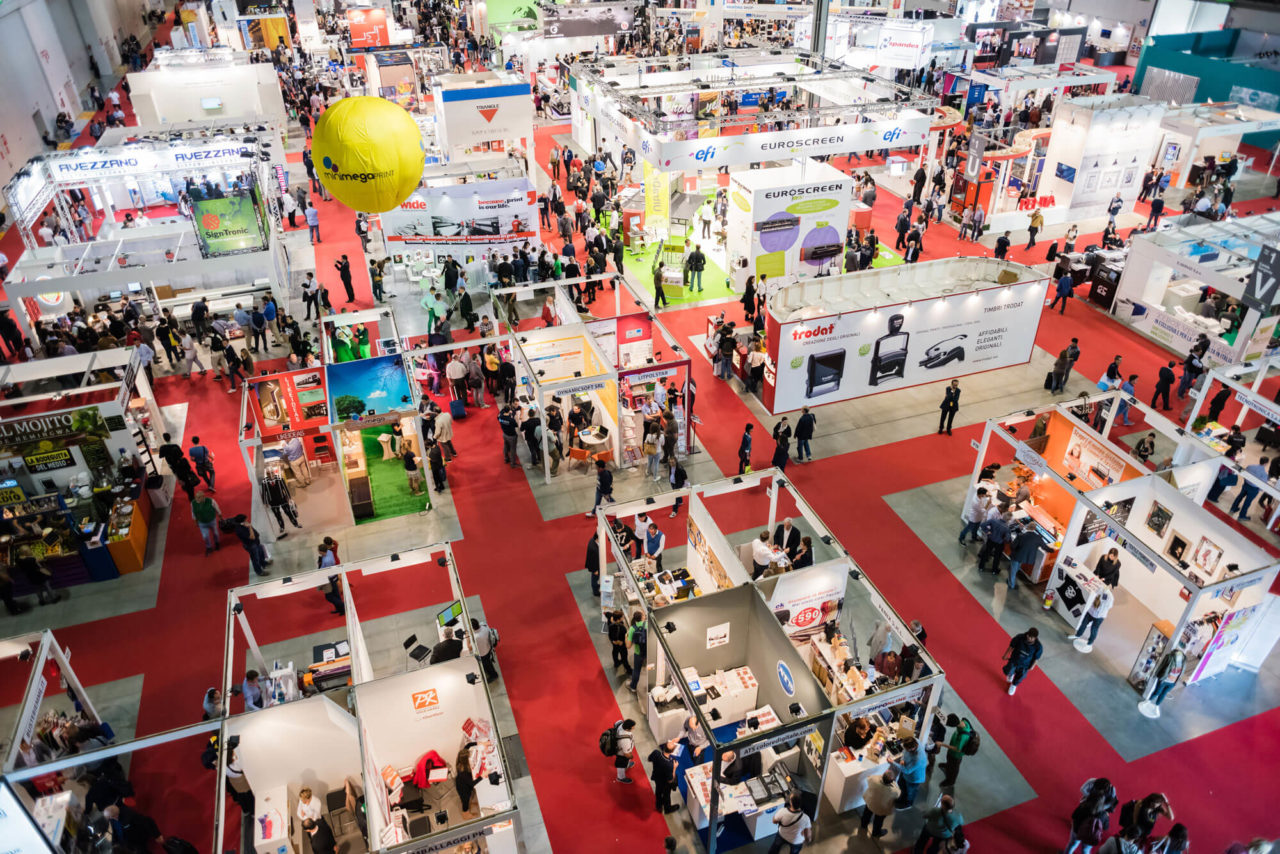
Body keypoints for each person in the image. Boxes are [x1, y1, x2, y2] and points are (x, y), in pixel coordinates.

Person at [1069, 587, 1113, 652]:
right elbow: (1095, 595)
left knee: (1094, 630)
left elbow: (1109, 606)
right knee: (1083, 624)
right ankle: (1078, 635)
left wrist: (1101, 604)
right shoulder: (1100, 589)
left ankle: (1089, 643)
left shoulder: (1110, 597)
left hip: (1099, 616)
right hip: (1091, 612)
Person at [1002, 627, 1043, 695]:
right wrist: (1006, 655)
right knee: (1008, 670)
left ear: (1035, 638)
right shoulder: (1019, 637)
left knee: (1020, 676)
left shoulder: (1038, 646)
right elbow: (1011, 646)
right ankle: (1011, 675)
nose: (1029, 638)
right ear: (1027, 634)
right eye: (1029, 636)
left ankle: (1014, 685)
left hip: (1025, 664)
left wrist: (1032, 666)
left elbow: (1036, 658)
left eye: (1032, 638)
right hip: (1014, 660)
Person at [936, 714, 974, 787]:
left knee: (954, 768)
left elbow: (957, 749)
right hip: (952, 751)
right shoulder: (963, 721)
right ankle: (948, 766)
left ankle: (950, 781)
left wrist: (942, 744)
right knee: (949, 760)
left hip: (956, 755)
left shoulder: (963, 736)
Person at [859, 768, 898, 838]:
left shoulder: (874, 780)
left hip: (871, 802)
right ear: (892, 781)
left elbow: (869, 778)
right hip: (882, 808)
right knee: (878, 820)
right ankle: (876, 832)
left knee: (866, 814)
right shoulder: (894, 790)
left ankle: (863, 824)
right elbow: (897, 795)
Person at [890, 737, 926, 808]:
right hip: (905, 773)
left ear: (913, 748)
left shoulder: (918, 758)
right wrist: (902, 759)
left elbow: (907, 770)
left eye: (907, 749)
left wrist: (893, 762)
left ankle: (908, 804)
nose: (905, 750)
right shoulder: (915, 741)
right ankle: (901, 798)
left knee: (910, 792)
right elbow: (904, 751)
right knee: (901, 786)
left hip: (914, 778)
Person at [1007, 519, 1043, 590]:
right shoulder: (1036, 538)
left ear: (1027, 527)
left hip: (1017, 556)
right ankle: (1011, 581)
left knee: (1013, 571)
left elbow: (1013, 546)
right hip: (1024, 557)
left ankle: (1011, 585)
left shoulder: (1021, 536)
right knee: (1016, 568)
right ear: (1035, 529)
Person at [1231, 456, 1268, 521]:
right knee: (1247, 502)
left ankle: (1233, 508)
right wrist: (1259, 490)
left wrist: (1246, 481)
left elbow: (1245, 474)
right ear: (1266, 463)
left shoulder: (1250, 466)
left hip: (1246, 484)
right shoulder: (1264, 474)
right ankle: (1242, 516)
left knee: (1240, 496)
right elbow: (1262, 485)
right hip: (1254, 489)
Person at [647, 740, 679, 813]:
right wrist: (674, 768)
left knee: (658, 792)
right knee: (666, 795)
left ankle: (659, 806)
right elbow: (670, 780)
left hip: (656, 777)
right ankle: (667, 809)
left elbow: (649, 759)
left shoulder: (656, 753)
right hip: (665, 783)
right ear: (672, 752)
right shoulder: (669, 764)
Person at [191, 489, 222, 555]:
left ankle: (217, 543)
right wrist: (195, 521)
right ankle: (209, 547)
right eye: (196, 497)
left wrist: (220, 516)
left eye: (199, 498)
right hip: (202, 523)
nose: (197, 499)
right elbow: (193, 513)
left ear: (203, 497)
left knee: (215, 533)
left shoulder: (211, 501)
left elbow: (217, 508)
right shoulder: (193, 503)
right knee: (205, 536)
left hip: (212, 521)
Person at [455, 743, 481, 812]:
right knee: (465, 801)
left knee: (468, 797)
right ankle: (465, 812)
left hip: (464, 784)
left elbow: (467, 745)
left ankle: (470, 804)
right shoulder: (463, 772)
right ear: (466, 760)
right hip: (463, 789)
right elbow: (473, 783)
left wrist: (478, 743)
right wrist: (482, 776)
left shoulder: (461, 758)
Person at [626, 611, 647, 692]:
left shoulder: (632, 628)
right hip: (648, 650)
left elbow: (628, 646)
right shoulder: (648, 624)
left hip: (638, 653)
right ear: (642, 617)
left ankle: (633, 687)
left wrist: (626, 636)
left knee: (636, 670)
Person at [611, 719, 637, 783]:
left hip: (619, 747)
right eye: (633, 727)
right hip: (622, 753)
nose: (634, 727)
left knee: (625, 762)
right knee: (621, 764)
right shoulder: (625, 740)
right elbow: (626, 754)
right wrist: (631, 756)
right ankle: (621, 778)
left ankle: (627, 765)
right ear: (628, 729)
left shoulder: (620, 723)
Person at [608, 610, 630, 674]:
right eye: (622, 617)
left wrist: (613, 641)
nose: (623, 618)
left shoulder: (611, 625)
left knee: (615, 652)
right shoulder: (622, 628)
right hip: (621, 644)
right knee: (624, 657)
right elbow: (625, 637)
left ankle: (616, 663)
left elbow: (609, 635)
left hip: (615, 644)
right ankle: (628, 669)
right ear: (618, 619)